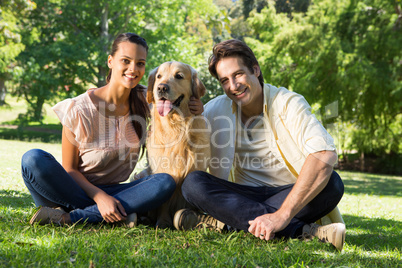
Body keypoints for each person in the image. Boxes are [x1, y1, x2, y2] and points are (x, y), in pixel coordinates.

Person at [174, 39, 346, 251]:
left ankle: (225, 224)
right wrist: (190, 112)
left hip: (289, 196)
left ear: (255, 70)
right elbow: (185, 138)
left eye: (238, 74)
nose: (233, 86)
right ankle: (304, 232)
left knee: (332, 184)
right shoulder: (217, 109)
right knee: (194, 183)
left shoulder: (288, 103)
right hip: (241, 195)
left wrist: (281, 216)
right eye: (225, 80)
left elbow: (324, 155)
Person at [21, 33, 203, 226]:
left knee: (164, 182)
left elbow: (180, 101)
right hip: (71, 189)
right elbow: (70, 170)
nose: (133, 69)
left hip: (117, 192)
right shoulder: (78, 109)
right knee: (33, 159)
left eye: (140, 63)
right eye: (126, 60)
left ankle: (68, 216)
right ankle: (106, 214)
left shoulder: (146, 98)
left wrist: (198, 107)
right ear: (110, 61)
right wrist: (100, 198)